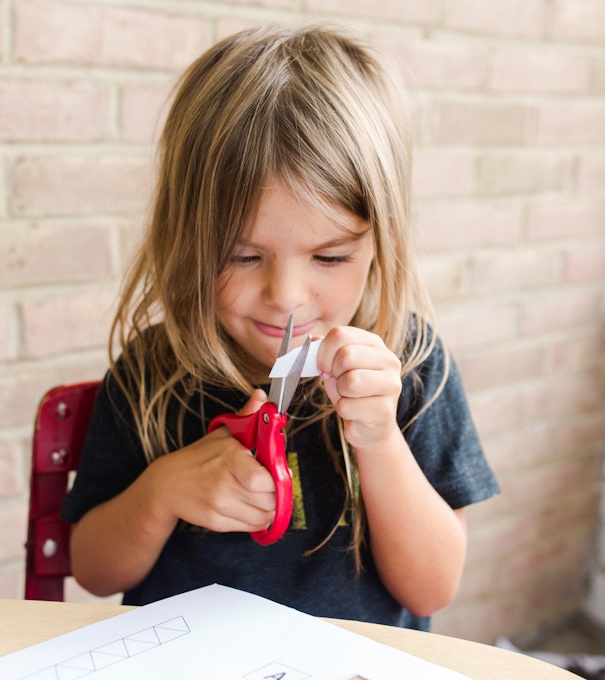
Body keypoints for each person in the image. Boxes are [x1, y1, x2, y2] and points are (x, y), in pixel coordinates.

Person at [61, 24, 498, 631]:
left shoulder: (413, 366)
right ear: (188, 243)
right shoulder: (152, 371)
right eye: (242, 256)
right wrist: (161, 493)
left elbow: (430, 590)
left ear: (380, 244)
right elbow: (95, 571)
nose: (286, 298)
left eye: (329, 257)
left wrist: (378, 439)